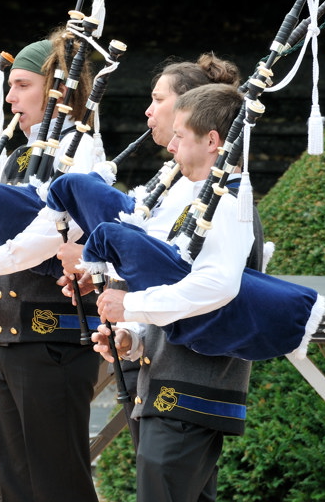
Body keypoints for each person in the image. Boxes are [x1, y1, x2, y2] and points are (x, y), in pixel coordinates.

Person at [0, 31, 104, 502]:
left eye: (21, 85)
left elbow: (52, 230)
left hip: (55, 334)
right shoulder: (17, 156)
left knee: (57, 481)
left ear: (57, 87)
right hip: (15, 333)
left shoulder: (80, 150)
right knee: (19, 480)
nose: (10, 98)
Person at [89, 82, 261, 502]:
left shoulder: (231, 203)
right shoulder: (204, 202)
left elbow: (215, 288)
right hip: (172, 381)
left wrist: (131, 303)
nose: (172, 147)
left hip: (193, 386)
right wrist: (133, 338)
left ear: (213, 141)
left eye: (181, 136)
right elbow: (179, 288)